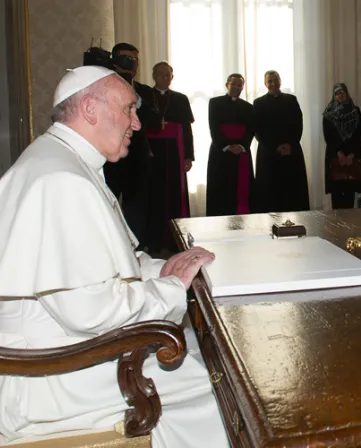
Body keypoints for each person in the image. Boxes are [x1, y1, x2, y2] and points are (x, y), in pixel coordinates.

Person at [0, 66, 229, 447]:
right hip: (48, 379)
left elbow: (112, 263)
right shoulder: (61, 180)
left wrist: (163, 268)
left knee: (206, 360)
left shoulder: (66, 162)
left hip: (63, 351)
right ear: (90, 109)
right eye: (128, 110)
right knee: (219, 385)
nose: (137, 124)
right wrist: (171, 288)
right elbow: (92, 312)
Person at [104, 42, 160, 250]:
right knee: (105, 206)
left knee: (137, 211)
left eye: (134, 59)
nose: (130, 63)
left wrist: (135, 99)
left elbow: (155, 123)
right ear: (114, 61)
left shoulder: (145, 92)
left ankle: (136, 256)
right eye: (124, 58)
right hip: (109, 158)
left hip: (137, 159)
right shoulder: (102, 88)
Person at [145, 61, 195, 254]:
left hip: (175, 152)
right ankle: (155, 240)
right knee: (153, 196)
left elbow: (187, 130)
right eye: (160, 74)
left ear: (172, 77)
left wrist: (189, 156)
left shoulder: (180, 99)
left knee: (175, 195)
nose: (164, 78)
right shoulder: (146, 97)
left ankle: (175, 241)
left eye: (167, 75)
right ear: (153, 76)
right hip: (152, 153)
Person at [254, 70, 310, 212]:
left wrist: (290, 144)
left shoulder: (291, 100)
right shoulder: (258, 103)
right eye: (270, 81)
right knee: (270, 194)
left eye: (275, 80)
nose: (273, 83)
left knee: (293, 193)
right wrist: (275, 147)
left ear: (280, 81)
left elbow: (298, 123)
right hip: (269, 153)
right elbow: (257, 129)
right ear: (265, 84)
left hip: (291, 151)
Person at [206, 73, 255, 216]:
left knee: (242, 192)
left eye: (239, 85)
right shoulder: (214, 103)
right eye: (233, 84)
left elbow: (251, 129)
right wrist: (227, 146)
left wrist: (241, 146)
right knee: (220, 190)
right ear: (227, 84)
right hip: (220, 152)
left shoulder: (248, 107)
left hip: (242, 152)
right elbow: (213, 127)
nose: (236, 87)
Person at [323, 83, 361, 209]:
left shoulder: (355, 111)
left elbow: (359, 134)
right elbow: (328, 137)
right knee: (336, 192)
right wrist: (339, 153)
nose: (339, 95)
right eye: (337, 93)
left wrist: (351, 154)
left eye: (342, 92)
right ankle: (337, 224)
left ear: (347, 93)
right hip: (335, 155)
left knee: (349, 192)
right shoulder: (328, 114)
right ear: (333, 96)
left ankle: (349, 224)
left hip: (352, 155)